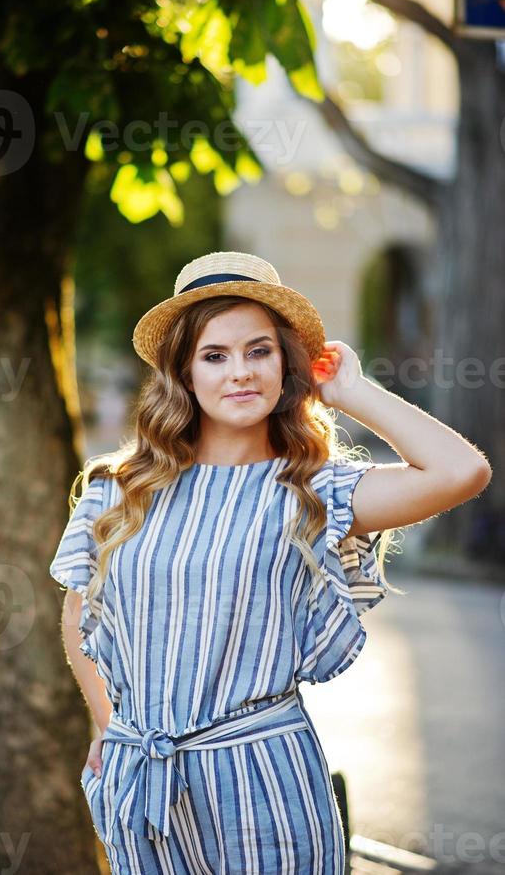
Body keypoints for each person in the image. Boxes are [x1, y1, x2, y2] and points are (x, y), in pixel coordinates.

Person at [49, 251, 491, 874]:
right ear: (184, 372)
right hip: (140, 781)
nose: (241, 373)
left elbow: (462, 471)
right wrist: (108, 726)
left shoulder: (319, 492)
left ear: (288, 365)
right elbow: (78, 616)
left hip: (265, 784)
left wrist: (352, 392)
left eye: (260, 351)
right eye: (215, 355)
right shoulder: (116, 489)